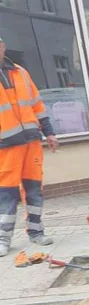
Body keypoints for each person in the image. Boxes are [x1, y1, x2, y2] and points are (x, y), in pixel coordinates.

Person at [0, 35, 58, 257]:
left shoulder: (21, 73)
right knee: (6, 194)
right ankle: (3, 239)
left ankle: (36, 231)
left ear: (3, 47)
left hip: (31, 142)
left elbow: (37, 105)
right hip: (5, 147)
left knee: (34, 190)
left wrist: (49, 132)